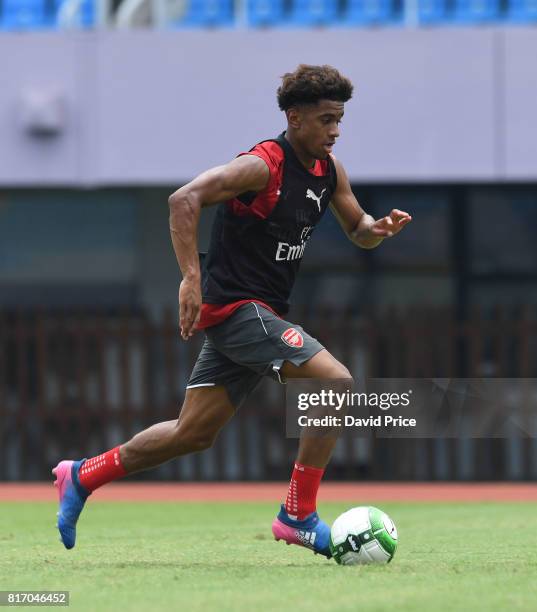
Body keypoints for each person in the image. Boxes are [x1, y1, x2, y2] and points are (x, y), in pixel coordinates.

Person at [53, 64, 411, 557]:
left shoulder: (329, 171)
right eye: (327, 120)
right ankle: (298, 514)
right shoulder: (263, 166)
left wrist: (378, 229)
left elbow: (357, 228)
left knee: (191, 433)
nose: (335, 131)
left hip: (251, 316)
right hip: (240, 309)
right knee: (334, 382)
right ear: (295, 118)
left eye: (340, 119)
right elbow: (185, 198)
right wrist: (191, 278)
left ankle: (82, 474)